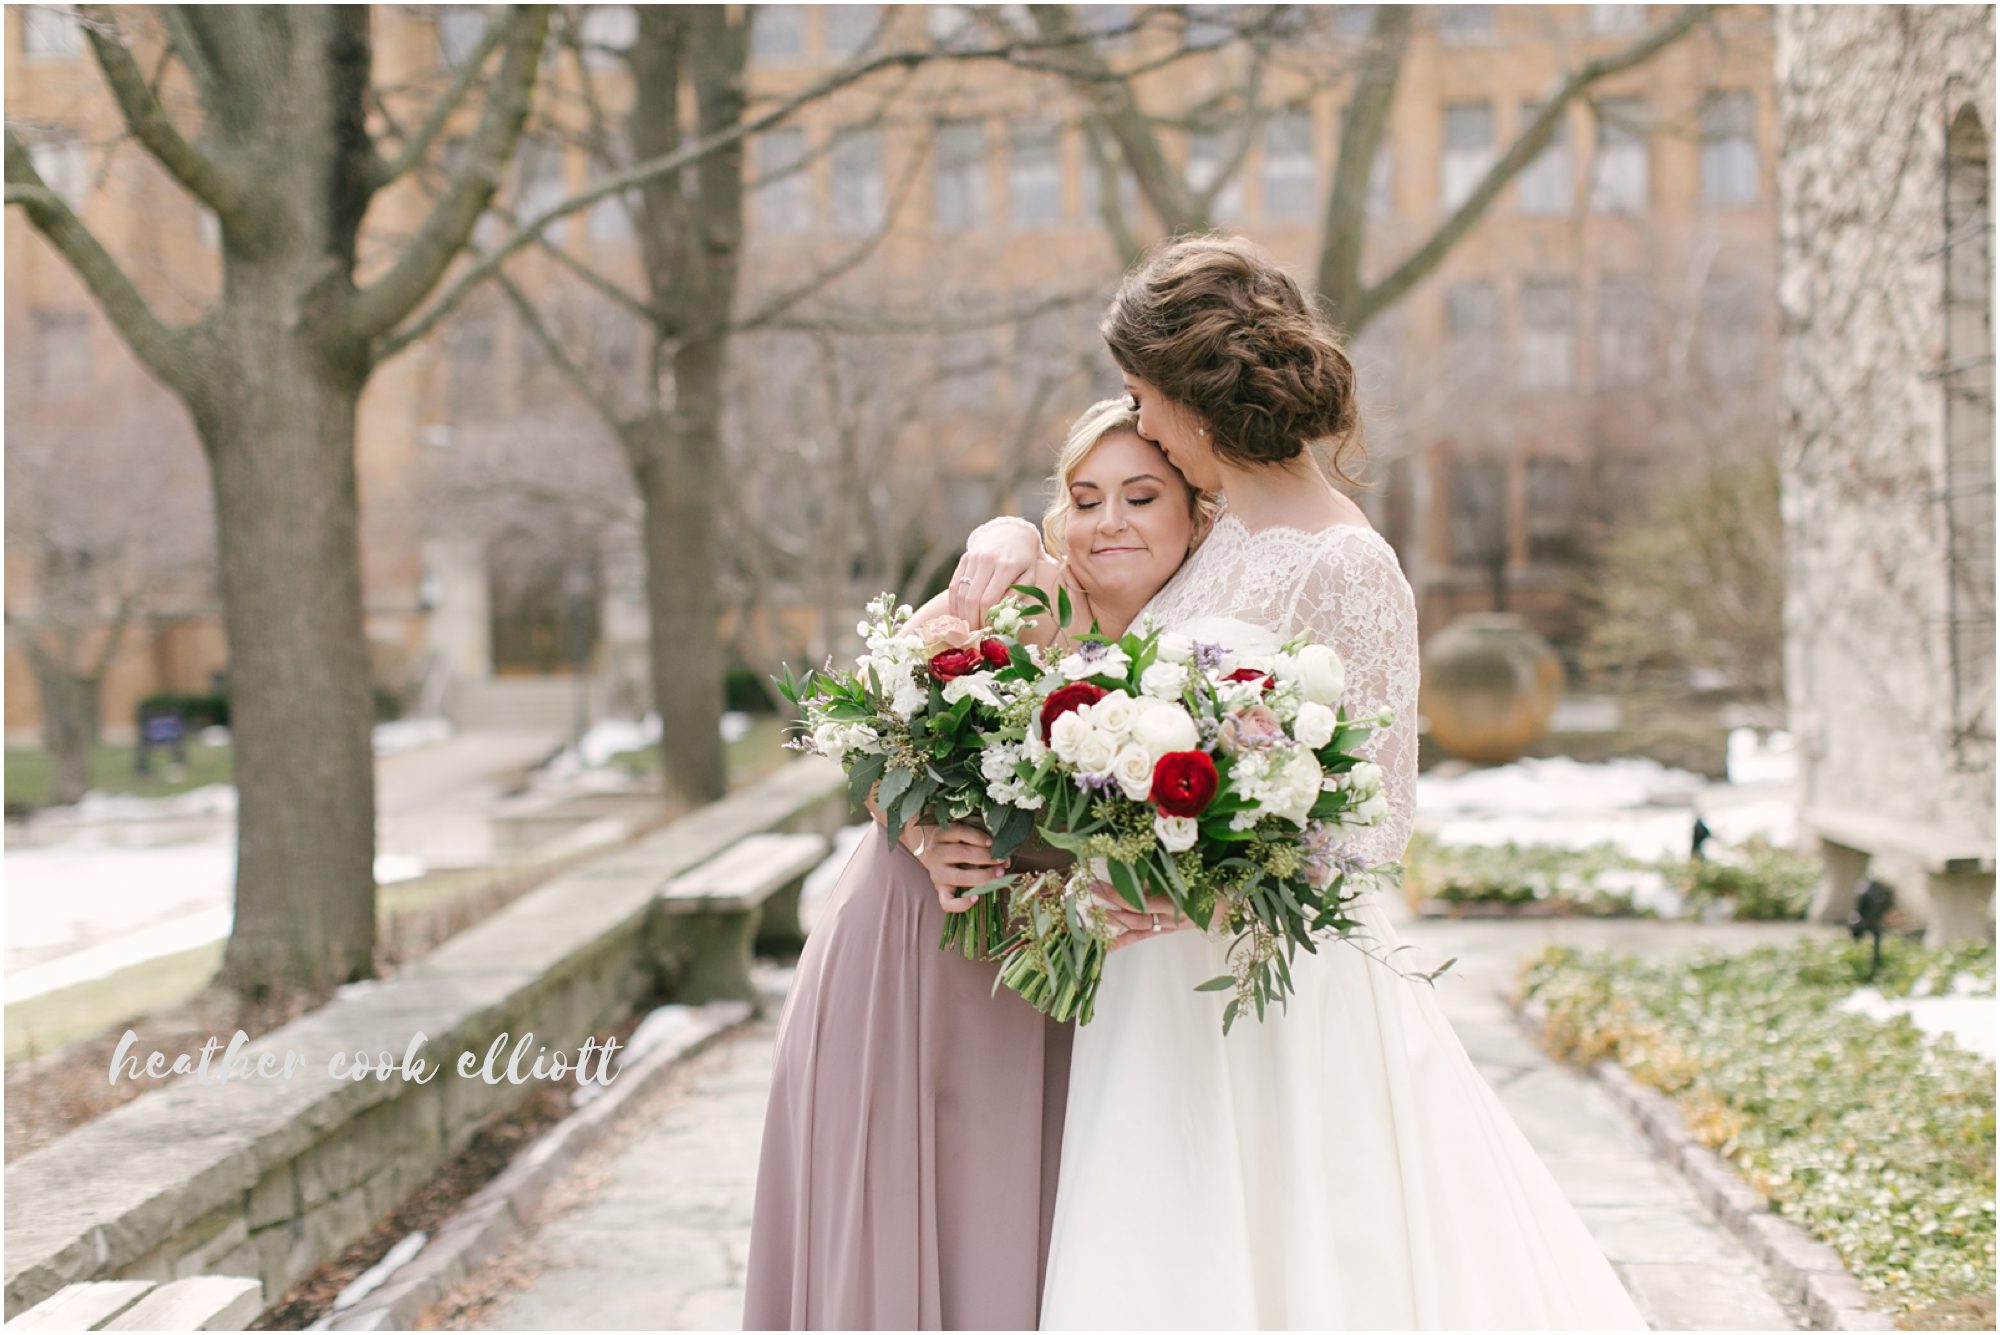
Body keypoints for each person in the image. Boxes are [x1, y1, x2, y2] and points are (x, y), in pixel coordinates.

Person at [953, 236, 1648, 1329]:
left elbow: (1376, 821)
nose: (1138, 420)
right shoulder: (1217, 535)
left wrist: (1204, 887)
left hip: (1269, 986)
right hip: (1154, 975)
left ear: (1194, 396)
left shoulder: (1346, 562)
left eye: (1142, 395)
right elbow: (1085, 598)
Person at [741, 398, 1217, 1330]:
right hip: (911, 950)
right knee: (888, 1228)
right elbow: (859, 729)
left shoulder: (1203, 643)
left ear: (1195, 514)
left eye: (1140, 494)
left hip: (1050, 987)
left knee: (1017, 1246)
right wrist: (916, 829)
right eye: (1085, 498)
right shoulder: (1013, 600)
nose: (1108, 519)